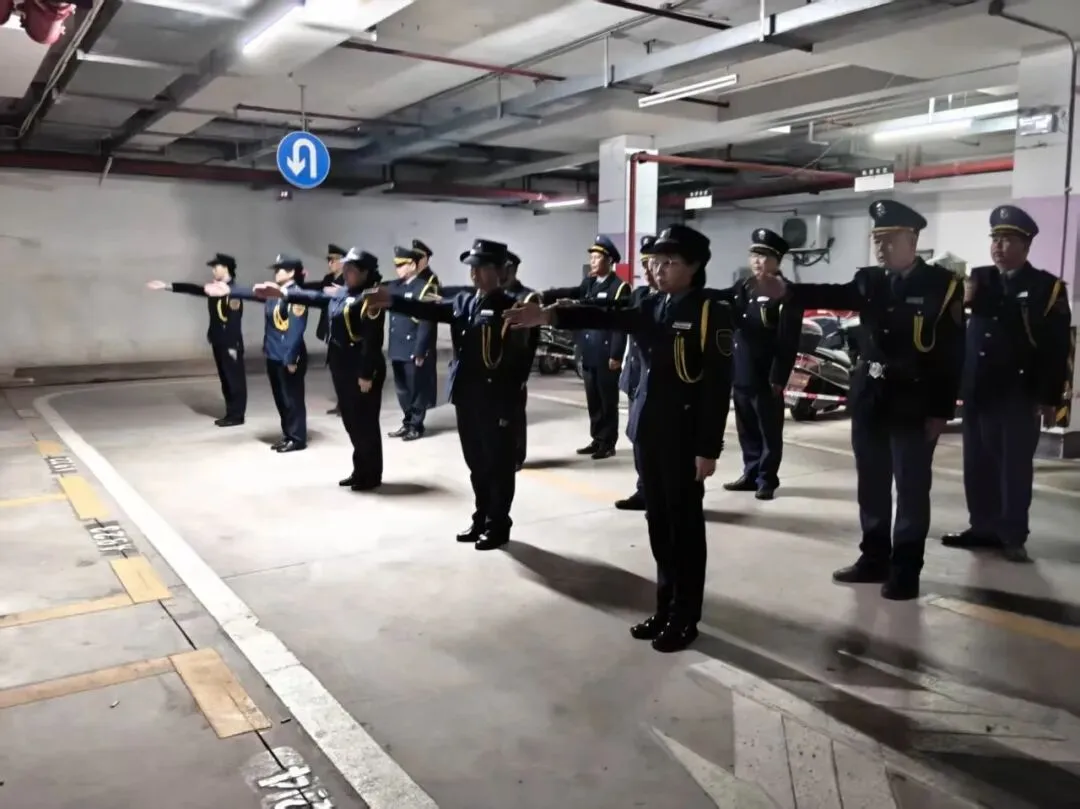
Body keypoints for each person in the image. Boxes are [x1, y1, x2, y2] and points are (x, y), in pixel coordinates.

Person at [506, 224, 735, 653]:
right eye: (654, 262)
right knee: (659, 526)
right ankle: (666, 608)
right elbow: (605, 313)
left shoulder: (709, 311)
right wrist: (551, 315)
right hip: (649, 432)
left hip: (684, 438)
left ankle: (686, 617)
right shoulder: (649, 303)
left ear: (694, 267)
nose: (658, 270)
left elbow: (716, 387)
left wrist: (708, 448)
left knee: (684, 530)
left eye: (669, 263)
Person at [756, 200, 964, 600]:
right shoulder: (869, 280)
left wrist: (942, 409)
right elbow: (833, 292)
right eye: (876, 240)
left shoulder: (942, 285)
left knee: (911, 488)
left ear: (912, 239)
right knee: (871, 483)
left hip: (914, 402)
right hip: (870, 398)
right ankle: (874, 558)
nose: (880, 248)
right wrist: (787, 290)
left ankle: (906, 569)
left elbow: (953, 352)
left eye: (888, 240)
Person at [363, 239, 536, 550]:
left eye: (483, 268)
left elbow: (519, 361)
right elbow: (428, 308)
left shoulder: (513, 308)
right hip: (467, 396)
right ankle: (481, 516)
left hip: (495, 399)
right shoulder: (465, 303)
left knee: (498, 464)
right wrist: (392, 301)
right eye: (473, 268)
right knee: (476, 462)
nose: (475, 274)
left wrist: (508, 403)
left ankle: (498, 523)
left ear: (500, 271)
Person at [942, 205, 1072, 563]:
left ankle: (1012, 534)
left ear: (1026, 246)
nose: (998, 246)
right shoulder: (979, 279)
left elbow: (1056, 348)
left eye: (1008, 240)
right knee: (977, 465)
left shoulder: (1047, 288)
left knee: (1013, 469)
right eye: (995, 239)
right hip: (978, 391)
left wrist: (1050, 398)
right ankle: (982, 527)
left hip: (1018, 393)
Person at [231, 249, 387, 489]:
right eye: (345, 268)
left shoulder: (371, 297)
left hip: (361, 369)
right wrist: (284, 293)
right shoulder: (345, 292)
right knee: (351, 422)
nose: (345, 272)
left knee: (365, 423)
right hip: (342, 367)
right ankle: (360, 470)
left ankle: (372, 475)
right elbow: (315, 298)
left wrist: (366, 374)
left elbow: (372, 341)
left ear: (365, 272)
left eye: (351, 269)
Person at [723, 229, 802, 500]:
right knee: (746, 429)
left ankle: (767, 479)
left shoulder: (786, 293)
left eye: (764, 256)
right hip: (742, 372)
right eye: (754, 255)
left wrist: (778, 377)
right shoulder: (744, 287)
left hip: (766, 375)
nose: (757, 261)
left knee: (769, 431)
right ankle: (751, 473)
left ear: (777, 261)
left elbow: (788, 340)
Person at [538, 235, 630, 459]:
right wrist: (546, 295)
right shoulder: (588, 284)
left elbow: (620, 324)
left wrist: (616, 354)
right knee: (593, 398)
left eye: (597, 257)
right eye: (591, 257)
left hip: (605, 351)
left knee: (607, 400)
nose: (592, 261)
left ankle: (608, 442)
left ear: (609, 260)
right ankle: (596, 438)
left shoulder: (619, 288)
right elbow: (571, 293)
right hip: (588, 350)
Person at [221, 254, 310, 453]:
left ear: (291, 272)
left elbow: (296, 329)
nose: (275, 273)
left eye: (279, 269)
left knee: (292, 399)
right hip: (273, 353)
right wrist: (228, 289)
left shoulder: (296, 294)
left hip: (288, 356)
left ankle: (297, 438)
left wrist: (291, 358)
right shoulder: (274, 293)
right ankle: (288, 434)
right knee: (281, 399)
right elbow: (252, 293)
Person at [146, 252, 247, 427]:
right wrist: (167, 286)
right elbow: (193, 289)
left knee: (234, 380)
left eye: (216, 267)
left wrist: (231, 345)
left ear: (226, 268)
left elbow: (233, 320)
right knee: (225, 379)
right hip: (218, 340)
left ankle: (237, 415)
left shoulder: (233, 291)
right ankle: (231, 412)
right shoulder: (215, 289)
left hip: (230, 343)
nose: (213, 270)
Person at [614, 235, 660, 511]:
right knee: (638, 439)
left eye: (652, 263)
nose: (647, 269)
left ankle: (661, 493)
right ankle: (644, 490)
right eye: (644, 263)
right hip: (635, 379)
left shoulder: (673, 301)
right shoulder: (640, 296)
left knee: (660, 443)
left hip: (659, 385)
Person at [386, 243, 440, 441]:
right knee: (402, 390)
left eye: (402, 265)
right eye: (396, 265)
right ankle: (407, 421)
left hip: (412, 346)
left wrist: (420, 350)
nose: (398, 269)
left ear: (412, 265)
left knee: (417, 388)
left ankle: (416, 425)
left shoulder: (424, 287)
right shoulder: (394, 286)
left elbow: (426, 322)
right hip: (397, 346)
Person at [305, 243, 347, 415]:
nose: (330, 263)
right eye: (329, 260)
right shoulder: (328, 279)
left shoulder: (348, 279)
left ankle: (348, 404)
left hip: (343, 332)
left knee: (345, 370)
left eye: (334, 260)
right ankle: (341, 403)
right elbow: (316, 288)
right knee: (335, 369)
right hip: (331, 332)